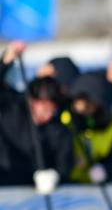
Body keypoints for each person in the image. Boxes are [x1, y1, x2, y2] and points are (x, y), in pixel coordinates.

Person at [0, 42, 74, 190]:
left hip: (31, 193)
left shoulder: (58, 129)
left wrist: (56, 175)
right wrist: (5, 62)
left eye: (52, 109)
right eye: (44, 108)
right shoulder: (11, 107)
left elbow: (65, 162)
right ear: (32, 101)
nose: (48, 114)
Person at [67, 72, 112, 185]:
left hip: (94, 188)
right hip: (66, 185)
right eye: (79, 101)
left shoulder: (108, 128)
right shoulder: (65, 122)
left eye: (89, 103)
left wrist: (106, 172)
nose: (83, 108)